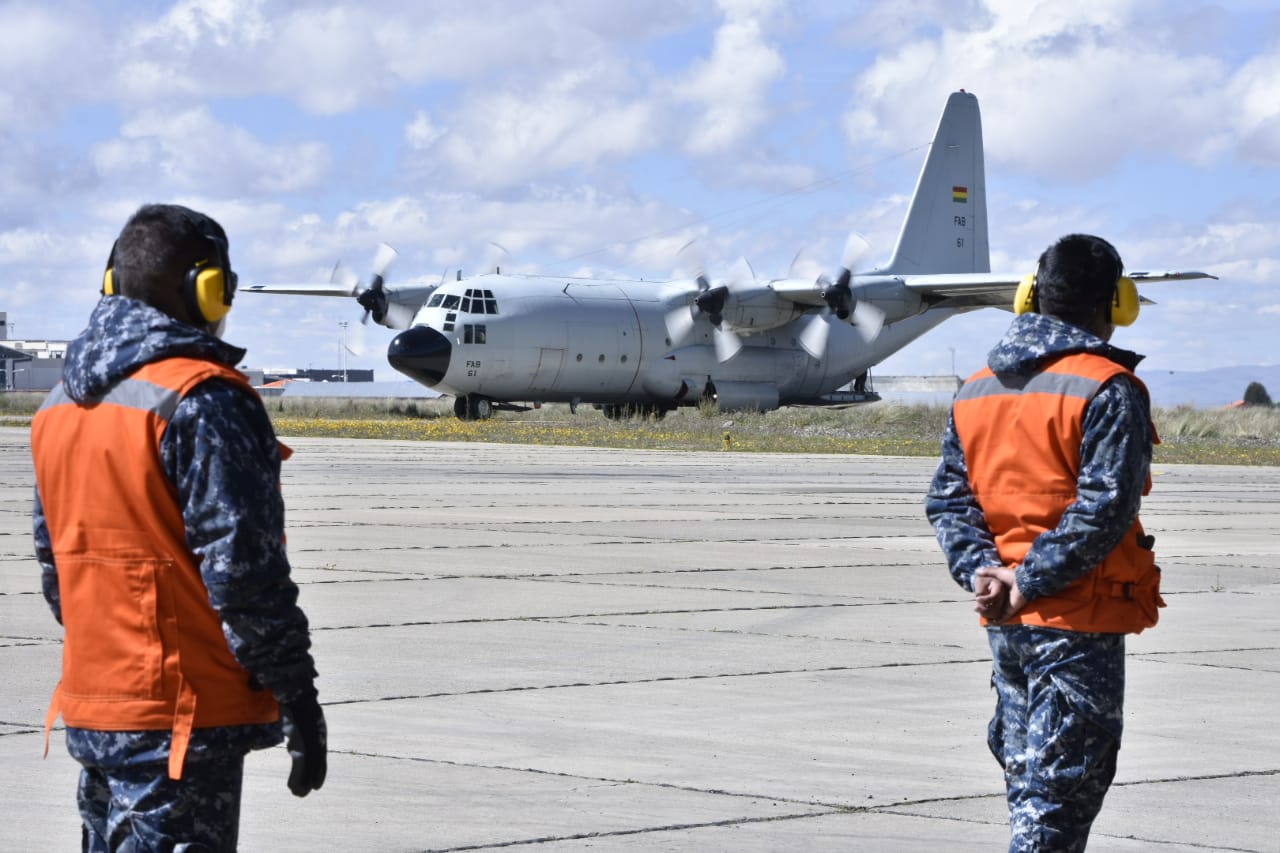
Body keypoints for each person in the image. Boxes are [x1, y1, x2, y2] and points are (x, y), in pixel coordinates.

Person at [31, 204, 326, 851]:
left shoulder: (59, 407)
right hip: (181, 720)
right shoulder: (201, 399)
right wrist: (296, 691)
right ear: (206, 289)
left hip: (95, 707)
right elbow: (243, 574)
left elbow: (57, 572)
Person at [925, 233, 1163, 852]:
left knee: (1030, 789)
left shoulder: (977, 388)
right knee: (1058, 800)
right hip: (1073, 619)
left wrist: (985, 572)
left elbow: (949, 500)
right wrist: (1028, 581)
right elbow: (1104, 509)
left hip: (1005, 620)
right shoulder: (1106, 387)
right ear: (1115, 302)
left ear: (1030, 295)